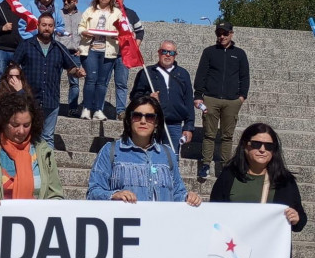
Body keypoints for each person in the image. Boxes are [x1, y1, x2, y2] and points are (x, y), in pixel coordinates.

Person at [87, 95, 202, 205]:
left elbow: (177, 192)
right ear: (129, 120)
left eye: (150, 117)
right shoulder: (110, 151)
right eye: (137, 116)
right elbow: (93, 192)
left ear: (156, 122)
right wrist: (114, 195)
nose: (143, 121)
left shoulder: (167, 154)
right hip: (126, 223)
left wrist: (187, 197)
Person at [0, 92, 64, 202]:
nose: (21, 131)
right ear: (3, 122)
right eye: (15, 125)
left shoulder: (43, 151)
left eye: (26, 125)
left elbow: (56, 195)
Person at [209, 123, 306, 233]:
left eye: (269, 146)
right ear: (245, 146)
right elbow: (214, 211)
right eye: (256, 144)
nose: (262, 149)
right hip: (235, 246)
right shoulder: (229, 175)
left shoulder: (285, 180)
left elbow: (300, 220)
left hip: (271, 247)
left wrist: (296, 218)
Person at [11, 13, 86, 146]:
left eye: (50, 26)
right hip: (29, 99)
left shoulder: (60, 48)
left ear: (54, 28)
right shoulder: (26, 45)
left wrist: (77, 73)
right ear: (38, 26)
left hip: (51, 100)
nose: (47, 28)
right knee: (27, 136)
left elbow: (71, 69)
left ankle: (46, 166)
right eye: (44, 25)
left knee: (48, 137)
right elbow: (13, 66)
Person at [194, 21, 250, 179]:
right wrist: (198, 96)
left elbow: (244, 76)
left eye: (225, 33)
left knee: (227, 135)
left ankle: (225, 166)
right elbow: (201, 75)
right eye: (219, 33)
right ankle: (205, 164)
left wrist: (241, 97)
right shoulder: (209, 52)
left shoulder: (239, 54)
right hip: (211, 98)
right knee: (209, 134)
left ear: (231, 34)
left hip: (232, 101)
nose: (222, 36)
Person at [130, 40, 194, 156]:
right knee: (149, 157)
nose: (167, 55)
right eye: (164, 51)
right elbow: (134, 97)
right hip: (151, 122)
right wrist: (148, 98)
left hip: (174, 124)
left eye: (171, 52)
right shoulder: (147, 72)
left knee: (171, 160)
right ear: (158, 53)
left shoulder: (183, 74)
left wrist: (188, 126)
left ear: (176, 55)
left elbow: (188, 101)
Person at [78, 0, 123, 121]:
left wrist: (118, 35)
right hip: (91, 49)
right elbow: (80, 27)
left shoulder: (117, 13)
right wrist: (84, 32)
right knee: (91, 79)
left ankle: (98, 109)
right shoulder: (90, 11)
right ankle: (86, 108)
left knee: (102, 82)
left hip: (108, 51)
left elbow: (123, 30)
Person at [111, 0, 144, 120]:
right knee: (101, 82)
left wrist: (136, 45)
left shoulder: (131, 13)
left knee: (122, 83)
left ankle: (120, 110)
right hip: (107, 52)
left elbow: (140, 31)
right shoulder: (106, 12)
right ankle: (98, 109)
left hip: (123, 54)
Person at [55, 0, 82, 117]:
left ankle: (73, 108)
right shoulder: (57, 14)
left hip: (74, 53)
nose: (65, 2)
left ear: (76, 2)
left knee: (74, 82)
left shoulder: (82, 16)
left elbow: (84, 34)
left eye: (69, 1)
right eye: (64, 0)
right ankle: (54, 106)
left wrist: (81, 48)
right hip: (59, 50)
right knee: (54, 79)